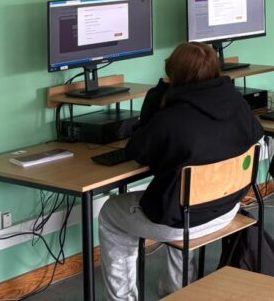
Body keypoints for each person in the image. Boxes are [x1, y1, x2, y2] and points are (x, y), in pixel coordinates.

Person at [99, 42, 263, 300]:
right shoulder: (238, 103)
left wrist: (160, 92)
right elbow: (256, 135)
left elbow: (137, 152)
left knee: (110, 213)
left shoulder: (171, 119)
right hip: (227, 208)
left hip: (185, 220)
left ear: (173, 74)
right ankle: (176, 291)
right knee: (181, 199)